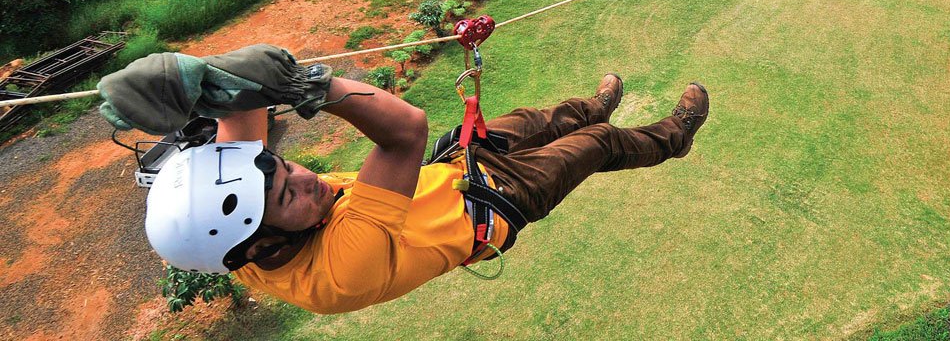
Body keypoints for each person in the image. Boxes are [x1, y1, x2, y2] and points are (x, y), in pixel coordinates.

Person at [98, 45, 711, 313]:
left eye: (285, 168)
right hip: (493, 205)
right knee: (597, 145)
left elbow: (242, 121)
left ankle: (593, 106)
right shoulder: (341, 269)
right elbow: (404, 132)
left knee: (549, 118)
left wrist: (194, 80)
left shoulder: (239, 228)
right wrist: (313, 85)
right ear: (261, 246)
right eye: (288, 192)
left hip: (449, 173)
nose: (304, 177)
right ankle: (672, 138)